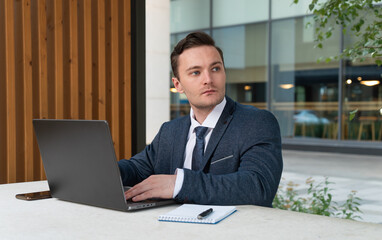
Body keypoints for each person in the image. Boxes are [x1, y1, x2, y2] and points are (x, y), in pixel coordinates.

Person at [118, 32, 283, 207]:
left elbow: (258, 187)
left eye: (215, 69)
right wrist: (103, 172)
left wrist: (179, 184)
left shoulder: (256, 123)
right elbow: (136, 169)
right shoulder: (169, 131)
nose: (208, 80)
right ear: (178, 85)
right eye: (195, 72)